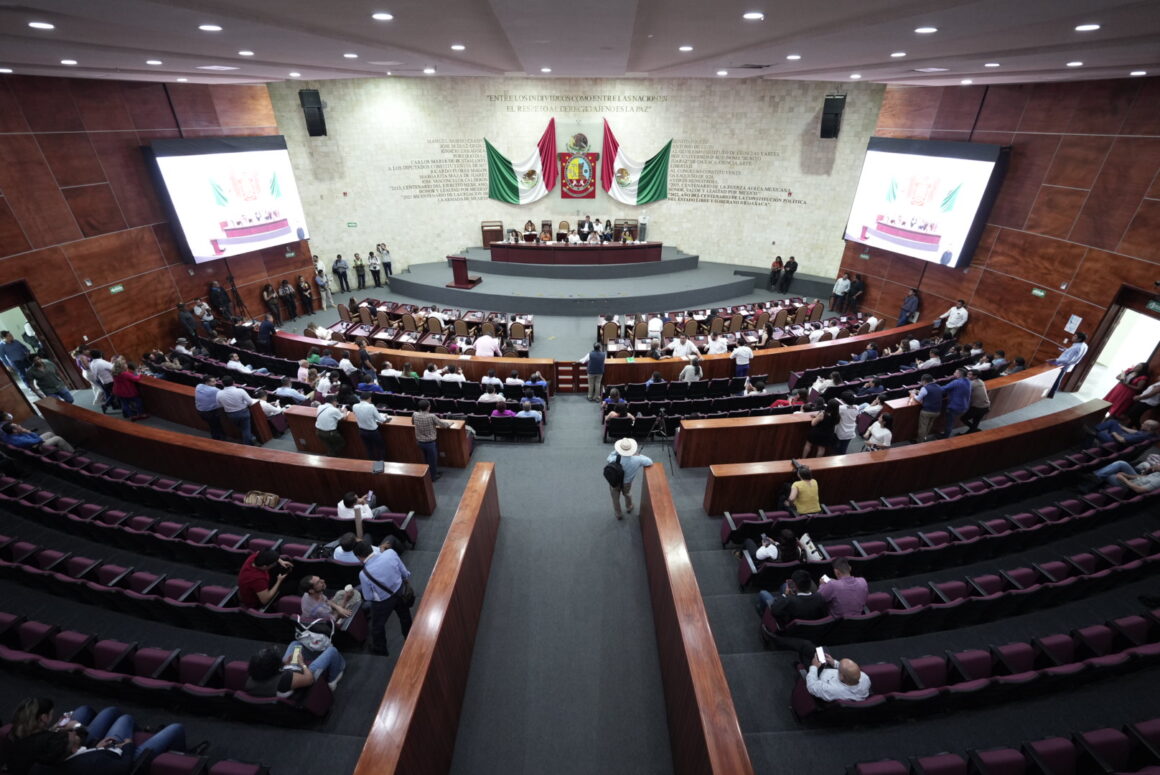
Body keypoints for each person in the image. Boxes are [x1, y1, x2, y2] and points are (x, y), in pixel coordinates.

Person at [356, 537, 413, 656]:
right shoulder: (390, 553)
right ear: (371, 548)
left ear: (359, 557)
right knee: (405, 617)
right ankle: (410, 640)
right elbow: (404, 572)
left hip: (383, 602)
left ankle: (380, 649)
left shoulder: (363, 574)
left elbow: (368, 596)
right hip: (400, 591)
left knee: (377, 626)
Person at [246, 643, 345, 697]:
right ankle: (332, 681)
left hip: (288, 670)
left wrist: (285, 664)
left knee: (296, 644)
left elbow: (273, 671)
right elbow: (309, 679)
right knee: (332, 651)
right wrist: (302, 663)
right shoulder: (284, 679)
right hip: (305, 676)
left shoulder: (253, 677)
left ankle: (315, 654)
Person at [607, 437, 653, 521]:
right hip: (627, 483)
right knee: (627, 494)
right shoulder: (637, 459)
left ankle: (618, 514)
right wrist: (638, 454)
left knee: (615, 498)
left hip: (614, 482)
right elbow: (649, 461)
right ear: (631, 450)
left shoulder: (614, 459)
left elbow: (609, 458)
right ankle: (629, 507)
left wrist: (616, 451)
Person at [757, 569, 827, 624]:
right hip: (805, 623)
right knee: (784, 585)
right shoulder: (819, 597)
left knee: (763, 593)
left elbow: (774, 610)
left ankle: (763, 612)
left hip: (786, 623)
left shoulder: (789, 600)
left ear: (795, 586)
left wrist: (785, 595)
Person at [804, 652, 871, 702]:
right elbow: (847, 670)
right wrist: (834, 663)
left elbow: (812, 687)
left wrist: (814, 666)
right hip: (828, 672)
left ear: (842, 677)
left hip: (816, 677)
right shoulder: (864, 678)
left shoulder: (834, 690)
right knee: (818, 651)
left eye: (839, 670)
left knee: (807, 653)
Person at [413, 399, 451, 481]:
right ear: (428, 408)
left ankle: (427, 475)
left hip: (419, 442)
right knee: (432, 461)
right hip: (429, 443)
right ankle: (433, 477)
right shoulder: (431, 416)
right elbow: (443, 425)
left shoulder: (415, 414)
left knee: (425, 459)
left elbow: (413, 423)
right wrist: (449, 424)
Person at [1046, 332, 1088, 398]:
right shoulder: (1084, 345)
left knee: (1057, 379)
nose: (1073, 337)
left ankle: (1051, 394)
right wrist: (1066, 350)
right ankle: (1051, 393)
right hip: (1069, 364)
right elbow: (1075, 355)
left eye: (1075, 336)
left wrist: (1056, 360)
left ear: (1079, 339)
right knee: (1058, 378)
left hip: (1063, 364)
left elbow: (1068, 359)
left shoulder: (1076, 347)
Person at [352, 392, 389, 460]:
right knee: (380, 448)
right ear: (370, 398)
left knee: (369, 449)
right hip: (373, 432)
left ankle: (370, 464)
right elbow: (380, 419)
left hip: (362, 431)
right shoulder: (371, 406)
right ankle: (380, 465)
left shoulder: (354, 406)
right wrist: (385, 417)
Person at [1, 420, 75, 453]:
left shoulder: (9, 434)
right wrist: (28, 432)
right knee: (58, 439)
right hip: (37, 447)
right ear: (14, 431)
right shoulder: (19, 440)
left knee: (49, 433)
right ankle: (72, 452)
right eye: (17, 426)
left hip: (33, 442)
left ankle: (61, 449)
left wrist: (25, 432)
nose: (19, 425)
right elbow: (38, 440)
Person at [909, 374, 945, 442]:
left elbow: (917, 399)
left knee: (923, 427)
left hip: (927, 411)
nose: (921, 383)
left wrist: (913, 394)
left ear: (924, 381)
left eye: (921, 381)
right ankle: (925, 438)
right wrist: (918, 392)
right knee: (929, 426)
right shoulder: (938, 386)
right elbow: (931, 394)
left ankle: (919, 442)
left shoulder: (924, 388)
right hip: (937, 411)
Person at [942, 367, 971, 438]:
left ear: (959, 374)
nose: (953, 373)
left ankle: (945, 436)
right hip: (964, 406)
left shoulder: (956, 382)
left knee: (949, 422)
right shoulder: (968, 381)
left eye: (955, 372)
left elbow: (943, 389)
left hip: (954, 406)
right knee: (951, 422)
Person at [959, 369, 991, 433]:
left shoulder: (971, 384)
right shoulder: (980, 381)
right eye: (967, 374)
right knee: (976, 421)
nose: (967, 375)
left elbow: (961, 391)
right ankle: (973, 430)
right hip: (986, 406)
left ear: (975, 376)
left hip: (977, 407)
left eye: (969, 374)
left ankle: (973, 429)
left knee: (963, 419)